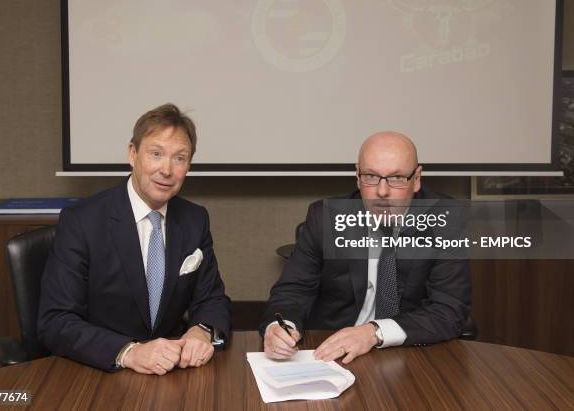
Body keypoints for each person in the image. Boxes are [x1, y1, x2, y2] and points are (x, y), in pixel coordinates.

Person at [38, 103, 230, 373]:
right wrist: (129, 352)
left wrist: (201, 331)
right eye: (156, 154)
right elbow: (56, 321)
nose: (167, 169)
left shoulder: (194, 219)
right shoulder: (82, 221)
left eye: (180, 158)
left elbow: (212, 299)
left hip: (171, 371)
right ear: (132, 153)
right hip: (99, 371)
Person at [260, 131, 470, 363]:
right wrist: (281, 327)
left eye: (397, 178)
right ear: (357, 177)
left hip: (409, 352)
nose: (382, 192)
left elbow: (448, 310)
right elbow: (292, 290)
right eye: (371, 176)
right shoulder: (325, 217)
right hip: (331, 353)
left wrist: (374, 332)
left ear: (417, 178)